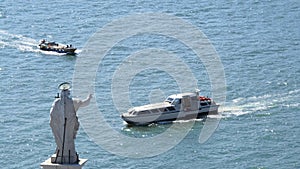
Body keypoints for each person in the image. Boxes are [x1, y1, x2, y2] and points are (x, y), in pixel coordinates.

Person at [49, 82, 92, 164]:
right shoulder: (74, 102)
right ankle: (68, 154)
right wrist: (89, 98)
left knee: (62, 141)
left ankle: (61, 152)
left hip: (60, 128)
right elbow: (85, 103)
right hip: (69, 128)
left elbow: (52, 116)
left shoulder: (56, 103)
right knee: (69, 141)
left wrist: (56, 124)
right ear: (69, 93)